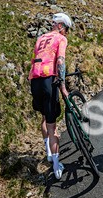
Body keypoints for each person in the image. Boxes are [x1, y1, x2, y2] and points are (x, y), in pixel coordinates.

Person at [29, 13, 73, 180]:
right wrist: (62, 86)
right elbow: (60, 61)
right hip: (49, 80)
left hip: (35, 80)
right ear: (61, 26)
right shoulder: (60, 39)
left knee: (43, 117)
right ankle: (56, 166)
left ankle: (48, 152)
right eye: (66, 29)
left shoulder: (40, 38)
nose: (66, 33)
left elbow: (34, 60)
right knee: (52, 126)